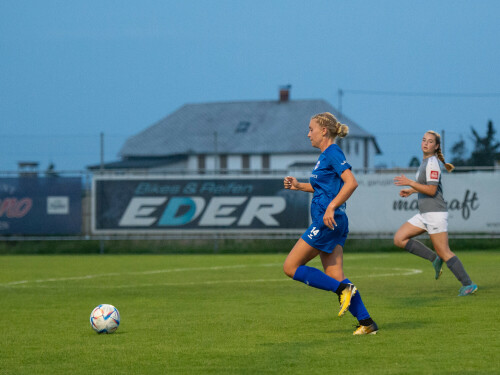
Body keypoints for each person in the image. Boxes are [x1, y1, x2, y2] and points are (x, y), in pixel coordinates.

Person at [283, 112, 378, 335]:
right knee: (335, 273)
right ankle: (367, 323)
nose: (308, 134)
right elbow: (324, 188)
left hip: (328, 221)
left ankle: (343, 290)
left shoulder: (332, 152)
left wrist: (331, 207)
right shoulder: (325, 155)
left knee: (290, 267)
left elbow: (351, 183)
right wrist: (299, 186)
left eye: (311, 129)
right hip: (333, 221)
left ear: (324, 131)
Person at [393, 130, 477, 296]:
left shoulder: (432, 162)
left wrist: (410, 182)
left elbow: (431, 190)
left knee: (445, 251)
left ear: (436, 146)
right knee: (399, 238)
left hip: (435, 214)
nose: (426, 143)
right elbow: (425, 186)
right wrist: (411, 190)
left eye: (430, 141)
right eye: (424, 140)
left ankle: (468, 284)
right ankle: (434, 259)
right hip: (425, 214)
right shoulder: (425, 162)